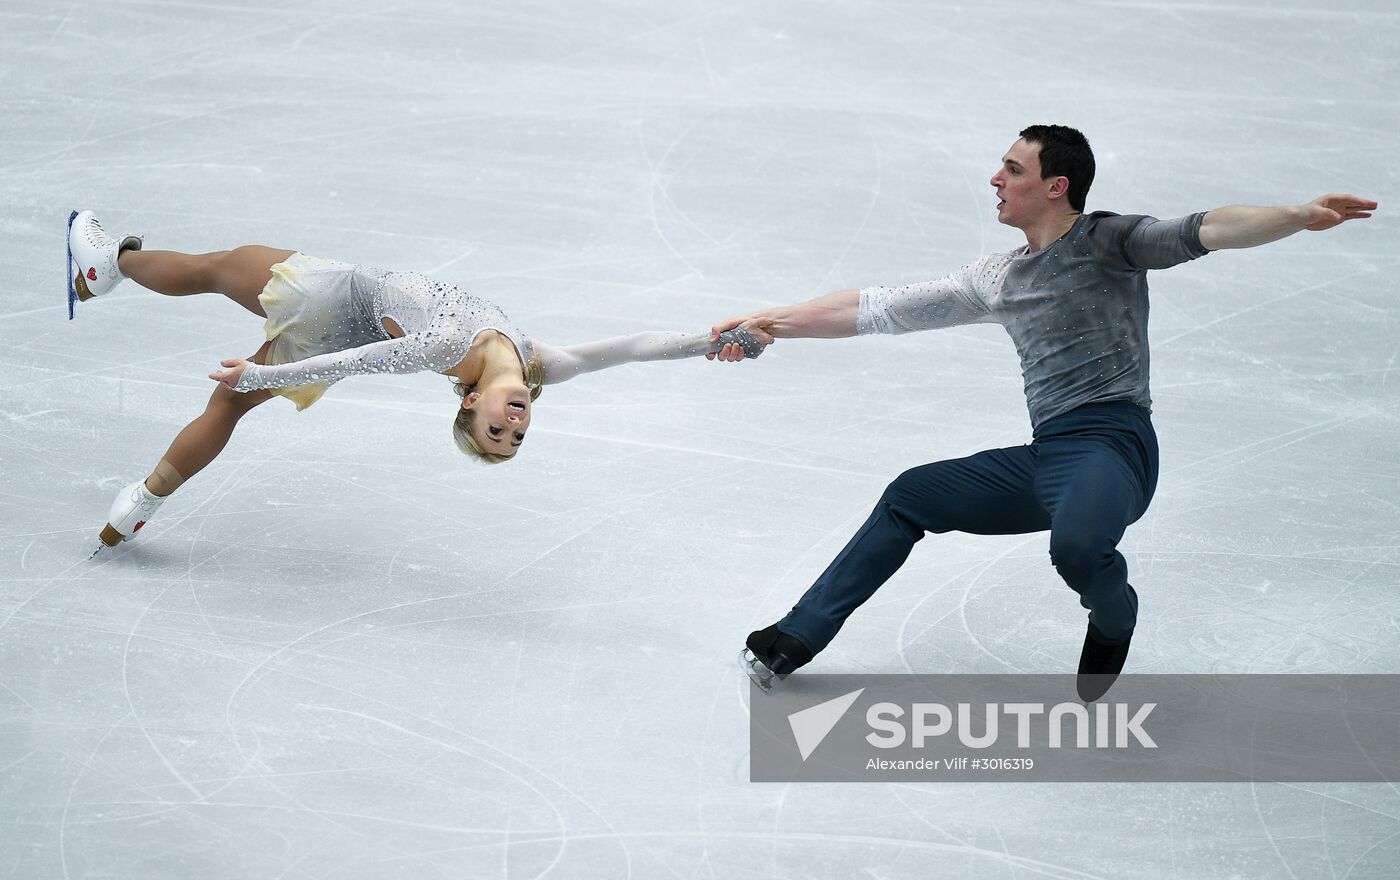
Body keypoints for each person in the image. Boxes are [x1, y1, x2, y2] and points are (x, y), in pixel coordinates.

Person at [708, 125, 1376, 700]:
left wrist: (1295, 215)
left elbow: (1208, 227)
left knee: (1080, 549)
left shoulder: (1110, 241)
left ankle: (1114, 618)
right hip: (1047, 457)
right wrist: (769, 322)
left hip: (1113, 449)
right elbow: (876, 308)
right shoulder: (997, 278)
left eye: (1013, 168)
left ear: (1056, 185)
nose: (995, 178)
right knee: (911, 495)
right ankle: (797, 634)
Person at [67, 210, 765, 554]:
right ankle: (138, 506)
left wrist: (263, 371)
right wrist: (713, 341)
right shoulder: (537, 362)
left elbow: (352, 363)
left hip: (332, 299)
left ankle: (109, 266)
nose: (515, 424)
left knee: (216, 268)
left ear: (469, 403)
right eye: (517, 435)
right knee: (231, 405)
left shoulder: (445, 347)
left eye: (497, 433)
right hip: (349, 324)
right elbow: (639, 346)